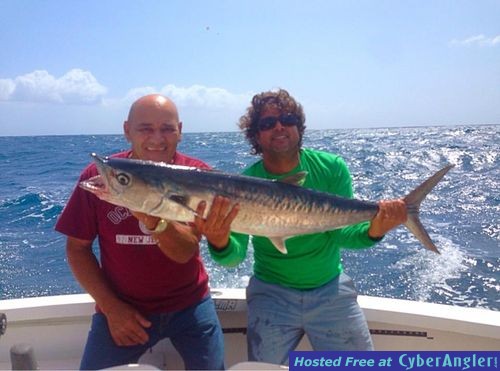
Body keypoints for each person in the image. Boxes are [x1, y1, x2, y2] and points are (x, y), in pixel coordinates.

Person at [196, 89, 407, 365]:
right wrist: (219, 241)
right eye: (267, 123)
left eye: (287, 119)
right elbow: (234, 257)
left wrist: (376, 229)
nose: (279, 126)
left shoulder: (331, 168)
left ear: (299, 126)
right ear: (256, 135)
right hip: (270, 295)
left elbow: (343, 234)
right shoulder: (243, 184)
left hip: (330, 290)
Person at [55, 94, 225, 370]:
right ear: (127, 131)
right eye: (145, 128)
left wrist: (154, 219)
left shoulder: (197, 176)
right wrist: (111, 308)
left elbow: (184, 252)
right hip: (122, 305)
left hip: (190, 304)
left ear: (180, 131)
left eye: (167, 128)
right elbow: (77, 247)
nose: (157, 138)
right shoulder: (103, 178)